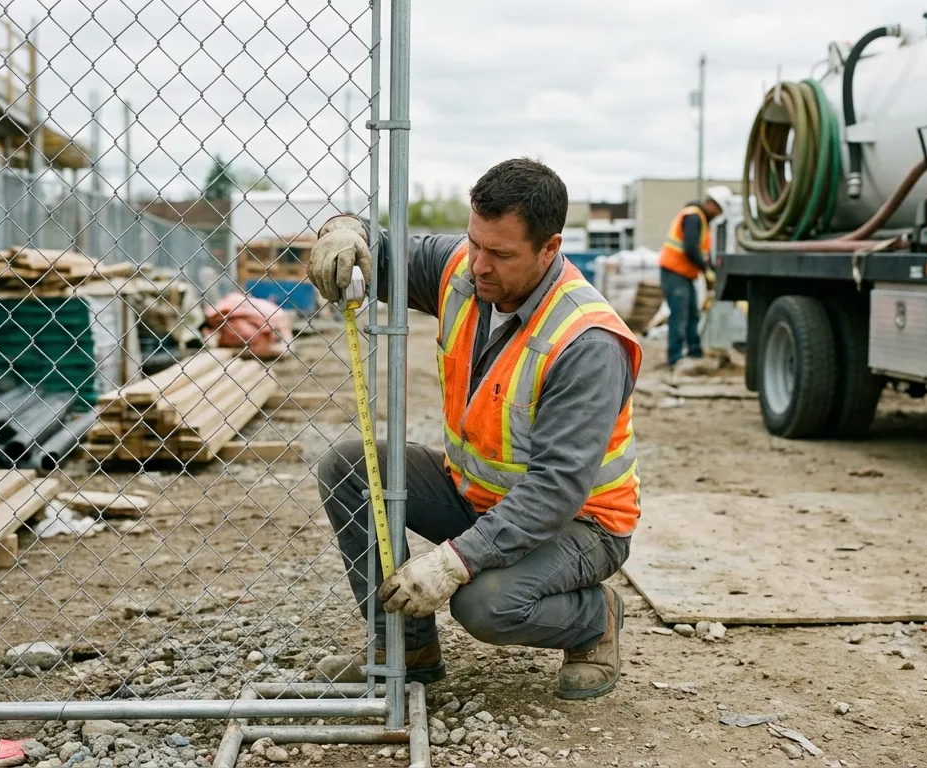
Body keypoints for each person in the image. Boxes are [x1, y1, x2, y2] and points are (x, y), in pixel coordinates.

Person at [306, 158, 642, 700]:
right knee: (348, 469)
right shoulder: (465, 268)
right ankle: (406, 649)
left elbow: (555, 489)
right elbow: (378, 248)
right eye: (474, 243)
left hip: (580, 523)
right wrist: (343, 231)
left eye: (501, 254)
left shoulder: (586, 343)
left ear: (550, 249)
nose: (479, 265)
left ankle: (595, 618)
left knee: (484, 603)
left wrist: (451, 562)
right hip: (479, 496)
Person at [657, 198, 723, 374]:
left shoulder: (700, 220)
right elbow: (691, 249)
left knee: (692, 314)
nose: (718, 214)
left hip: (684, 274)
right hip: (674, 271)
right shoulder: (694, 217)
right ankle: (675, 357)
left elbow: (699, 251)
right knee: (680, 315)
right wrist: (706, 271)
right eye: (718, 209)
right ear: (710, 204)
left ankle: (695, 353)